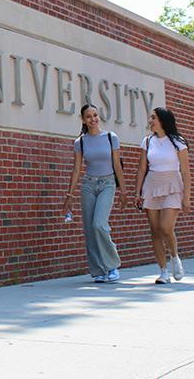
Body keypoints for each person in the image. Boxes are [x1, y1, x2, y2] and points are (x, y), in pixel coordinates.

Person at [63, 104, 127, 283]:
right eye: (89, 116)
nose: (93, 119)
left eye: (95, 115)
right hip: (88, 185)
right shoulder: (80, 142)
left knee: (99, 224)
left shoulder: (110, 137)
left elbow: (116, 165)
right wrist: (69, 195)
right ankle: (98, 270)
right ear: (83, 120)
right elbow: (76, 170)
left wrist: (123, 190)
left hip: (107, 183)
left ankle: (112, 265)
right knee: (90, 230)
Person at [133, 107, 192, 284]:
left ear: (162, 120)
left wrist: (187, 196)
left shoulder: (177, 141)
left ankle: (174, 257)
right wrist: (138, 192)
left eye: (153, 117)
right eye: (150, 117)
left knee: (166, 227)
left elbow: (186, 171)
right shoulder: (147, 141)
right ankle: (163, 272)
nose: (150, 120)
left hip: (173, 184)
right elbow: (142, 168)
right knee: (155, 231)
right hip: (152, 185)